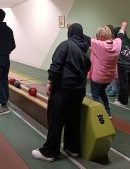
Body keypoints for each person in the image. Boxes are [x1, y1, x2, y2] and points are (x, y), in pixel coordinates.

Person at [32, 23, 91, 162]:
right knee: (73, 119)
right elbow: (88, 65)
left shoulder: (65, 45)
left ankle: (49, 152)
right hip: (79, 89)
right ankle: (73, 148)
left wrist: (49, 81)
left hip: (63, 89)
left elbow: (56, 65)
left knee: (56, 119)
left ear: (69, 33)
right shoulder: (86, 47)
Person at [87, 22, 127, 118]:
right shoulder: (117, 43)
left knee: (95, 95)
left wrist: (70, 27)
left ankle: (102, 115)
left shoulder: (99, 44)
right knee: (102, 92)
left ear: (100, 36)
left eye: (97, 35)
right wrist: (123, 26)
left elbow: (83, 37)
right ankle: (108, 112)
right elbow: (121, 35)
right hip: (109, 77)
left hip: (98, 77)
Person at [113, 26, 130, 106]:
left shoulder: (119, 41)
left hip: (123, 64)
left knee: (123, 83)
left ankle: (123, 101)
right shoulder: (128, 40)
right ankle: (122, 98)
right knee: (126, 82)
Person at [105, 25, 118, 97]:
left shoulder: (114, 39)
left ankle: (114, 89)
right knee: (108, 75)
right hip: (108, 59)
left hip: (113, 59)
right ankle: (110, 87)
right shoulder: (109, 38)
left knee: (112, 75)